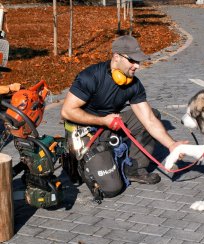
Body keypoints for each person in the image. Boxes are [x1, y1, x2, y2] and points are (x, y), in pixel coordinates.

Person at [61, 35, 186, 185]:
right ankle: (77, 162)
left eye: (138, 61)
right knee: (112, 187)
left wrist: (171, 144)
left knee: (153, 114)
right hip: (84, 129)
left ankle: (134, 168)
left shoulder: (134, 85)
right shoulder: (91, 77)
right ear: (116, 57)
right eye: (132, 60)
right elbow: (67, 111)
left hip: (110, 125)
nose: (137, 65)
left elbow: (149, 120)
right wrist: (103, 121)